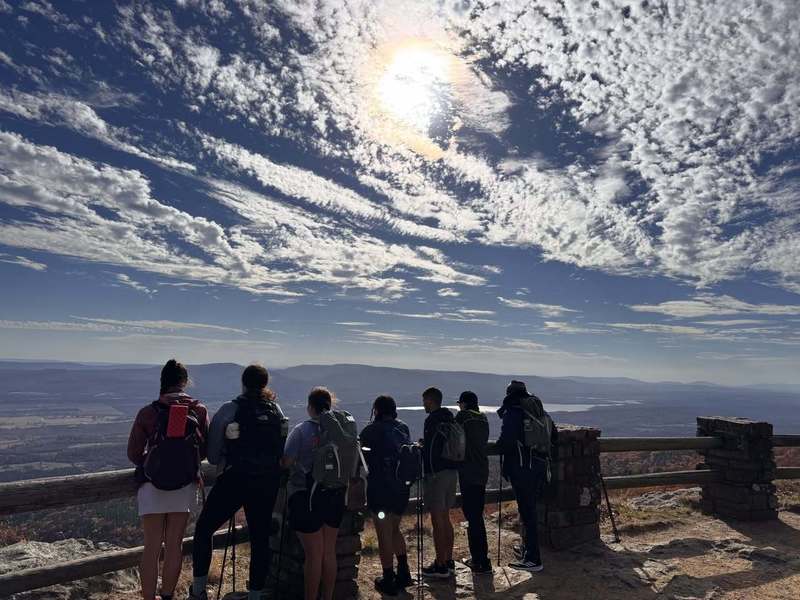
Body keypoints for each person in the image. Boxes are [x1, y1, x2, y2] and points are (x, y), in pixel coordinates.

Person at [189, 365, 287, 600]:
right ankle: (255, 595)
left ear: (243, 383)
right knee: (260, 538)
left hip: (235, 479)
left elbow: (212, 457)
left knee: (204, 530)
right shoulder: (276, 410)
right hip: (267, 481)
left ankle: (199, 591)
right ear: (265, 384)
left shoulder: (230, 410)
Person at [128, 359, 209, 600]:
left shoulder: (148, 412)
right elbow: (204, 451)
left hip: (152, 485)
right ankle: (167, 596)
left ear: (163, 382)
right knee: (175, 545)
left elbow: (133, 454)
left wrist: (155, 460)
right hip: (185, 485)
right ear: (184, 382)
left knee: (151, 548)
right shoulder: (199, 410)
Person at [282, 387, 347, 600]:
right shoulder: (342, 430)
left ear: (310, 407)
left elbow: (287, 462)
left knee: (313, 555)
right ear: (330, 405)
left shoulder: (301, 431)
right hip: (335, 496)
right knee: (328, 552)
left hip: (306, 497)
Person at [496, 380, 557, 572]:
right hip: (539, 466)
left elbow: (506, 441)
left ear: (510, 394)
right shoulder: (539, 411)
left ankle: (532, 559)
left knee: (528, 512)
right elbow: (554, 436)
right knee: (530, 511)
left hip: (522, 468)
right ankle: (528, 550)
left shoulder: (514, 411)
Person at [359, 395, 414, 595]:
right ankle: (404, 572)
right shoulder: (403, 428)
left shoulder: (370, 431)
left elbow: (361, 459)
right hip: (401, 490)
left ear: (377, 410)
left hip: (380, 490)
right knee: (394, 529)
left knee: (383, 534)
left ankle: (388, 578)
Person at [420, 386, 459, 579]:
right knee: (446, 517)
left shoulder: (432, 420)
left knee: (437, 520)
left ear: (430, 401)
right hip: (452, 471)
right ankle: (449, 560)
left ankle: (440, 565)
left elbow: (430, 451)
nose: (423, 405)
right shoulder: (450, 418)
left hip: (437, 474)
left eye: (425, 401)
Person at [455, 391, 491, 574]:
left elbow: (453, 437)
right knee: (477, 515)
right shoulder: (483, 418)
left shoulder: (463, 417)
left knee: (473, 517)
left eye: (460, 403)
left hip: (468, 472)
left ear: (464, 404)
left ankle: (480, 560)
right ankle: (481, 558)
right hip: (482, 471)